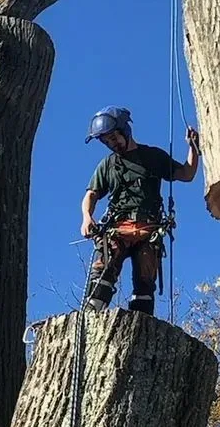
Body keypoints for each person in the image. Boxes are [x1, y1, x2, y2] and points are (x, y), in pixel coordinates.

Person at [80, 106, 199, 315]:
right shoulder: (108, 165)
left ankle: (141, 323)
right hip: (118, 227)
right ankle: (91, 316)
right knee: (103, 271)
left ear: (125, 130)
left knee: (145, 281)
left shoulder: (153, 157)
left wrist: (193, 148)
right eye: (106, 142)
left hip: (148, 228)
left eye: (113, 138)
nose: (112, 144)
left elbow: (187, 173)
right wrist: (87, 217)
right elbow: (91, 194)